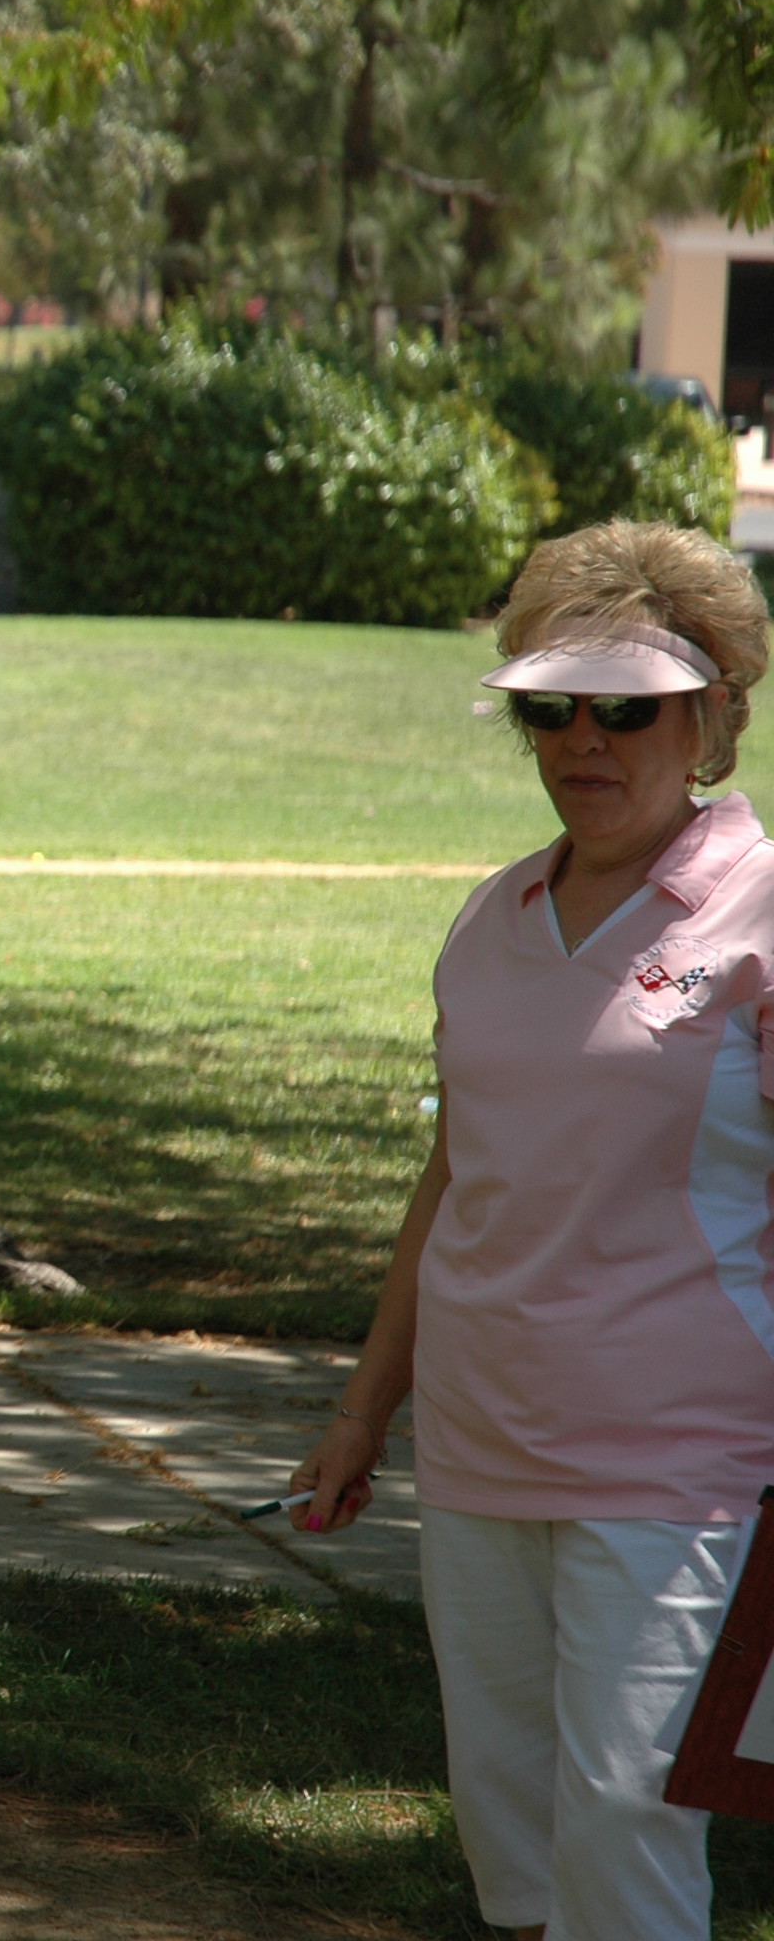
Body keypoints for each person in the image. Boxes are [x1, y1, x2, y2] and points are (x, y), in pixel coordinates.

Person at [289, 521, 774, 1941]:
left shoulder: (760, 914)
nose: (587, 740)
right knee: (515, 1840)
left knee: (623, 1823)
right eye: (554, 709)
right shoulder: (490, 920)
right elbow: (456, 1175)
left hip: (679, 1462)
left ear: (710, 718)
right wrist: (365, 1413)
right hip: (483, 1448)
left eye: (629, 708)